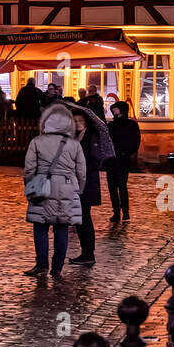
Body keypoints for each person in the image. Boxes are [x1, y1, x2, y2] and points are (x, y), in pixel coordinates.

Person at [22, 103, 86, 279]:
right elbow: (81, 171)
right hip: (67, 187)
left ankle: (42, 265)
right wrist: (78, 189)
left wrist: (30, 185)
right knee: (61, 227)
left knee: (40, 227)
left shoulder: (37, 142)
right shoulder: (74, 144)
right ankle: (57, 267)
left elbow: (29, 169)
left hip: (43, 186)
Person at [70, 109, 103, 265]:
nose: (78, 124)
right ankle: (85, 252)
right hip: (76, 181)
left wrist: (82, 165)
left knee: (84, 217)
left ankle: (89, 253)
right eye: (75, 121)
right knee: (78, 218)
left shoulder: (91, 137)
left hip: (87, 182)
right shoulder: (74, 137)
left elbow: (96, 160)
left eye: (80, 121)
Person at [105, 100, 141, 221]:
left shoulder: (131, 125)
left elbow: (135, 141)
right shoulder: (110, 125)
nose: (113, 111)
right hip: (111, 160)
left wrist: (126, 152)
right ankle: (116, 212)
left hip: (123, 159)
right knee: (112, 187)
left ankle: (125, 212)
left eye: (116, 109)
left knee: (122, 185)